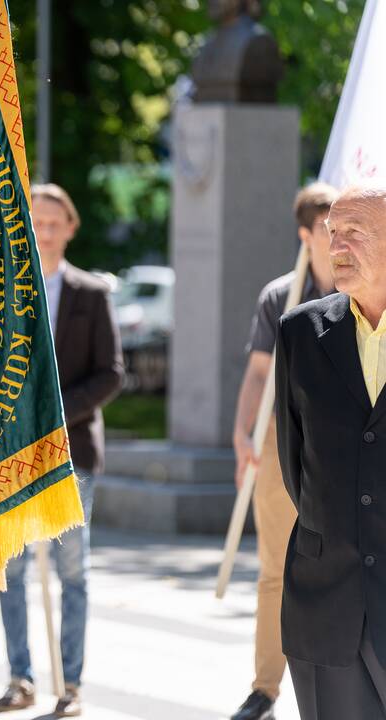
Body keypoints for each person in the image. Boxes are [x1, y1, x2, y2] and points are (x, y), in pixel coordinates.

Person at [0, 183, 123, 717]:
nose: (44, 231)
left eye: (54, 223)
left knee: (73, 571)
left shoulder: (91, 293)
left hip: (71, 453)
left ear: (70, 228)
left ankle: (70, 682)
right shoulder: (1, 289)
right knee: (11, 570)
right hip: (9, 452)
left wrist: (54, 413)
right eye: (36, 221)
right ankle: (19, 676)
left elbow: (112, 373)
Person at [275, 183, 386, 719]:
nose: (336, 245)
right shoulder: (300, 332)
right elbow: (296, 467)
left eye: (354, 232)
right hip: (326, 605)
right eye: (331, 232)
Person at [228, 182, 338, 720]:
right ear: (305, 234)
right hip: (279, 439)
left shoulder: (365, 284)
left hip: (343, 444)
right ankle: (265, 689)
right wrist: (242, 433)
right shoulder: (281, 295)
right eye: (326, 226)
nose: (337, 235)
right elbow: (256, 372)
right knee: (275, 568)